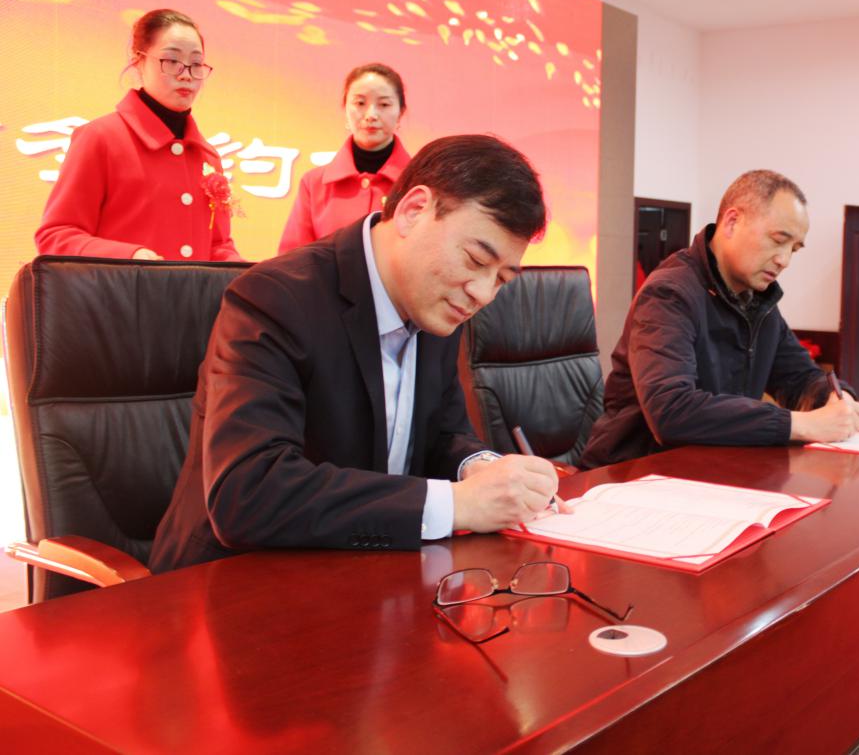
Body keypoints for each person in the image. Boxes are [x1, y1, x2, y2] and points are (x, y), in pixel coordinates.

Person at [150, 134, 561, 571]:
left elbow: (442, 433)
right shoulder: (275, 299)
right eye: (476, 260)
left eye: (502, 279)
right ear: (414, 210)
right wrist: (457, 504)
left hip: (362, 571)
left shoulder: (438, 303)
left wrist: (478, 467)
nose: (482, 293)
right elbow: (249, 493)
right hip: (233, 580)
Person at [580, 169, 859, 469]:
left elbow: (799, 378)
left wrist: (836, 400)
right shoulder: (670, 294)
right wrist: (801, 424)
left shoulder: (758, 301)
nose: (784, 260)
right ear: (732, 222)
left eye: (794, 249)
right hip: (633, 474)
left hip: (713, 469)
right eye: (778, 240)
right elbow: (672, 411)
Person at [35, 8, 242, 261]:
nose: (186, 75)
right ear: (139, 61)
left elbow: (218, 246)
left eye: (196, 64)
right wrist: (131, 257)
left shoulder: (207, 156)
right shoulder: (100, 138)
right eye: (172, 61)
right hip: (121, 288)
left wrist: (250, 273)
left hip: (192, 291)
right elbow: (56, 236)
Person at [278, 63, 412, 253]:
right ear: (345, 108)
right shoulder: (314, 184)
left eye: (384, 104)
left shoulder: (419, 183)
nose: (371, 115)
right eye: (360, 103)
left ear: (400, 113)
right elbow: (292, 259)